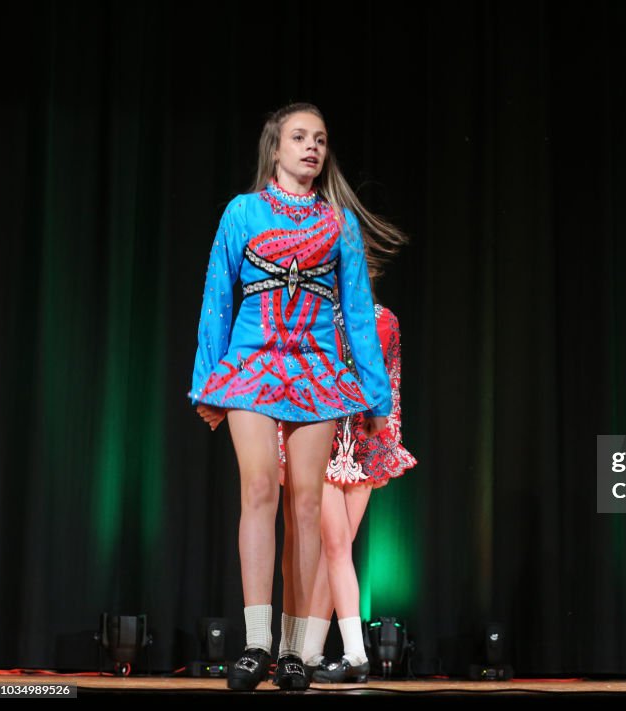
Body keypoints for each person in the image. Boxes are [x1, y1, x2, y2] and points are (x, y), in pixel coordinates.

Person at [189, 102, 406, 691]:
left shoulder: (339, 225)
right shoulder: (243, 213)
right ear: (276, 148)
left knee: (307, 504)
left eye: (320, 139)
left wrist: (378, 401)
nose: (312, 147)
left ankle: (294, 651)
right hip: (252, 366)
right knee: (259, 489)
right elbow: (217, 298)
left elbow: (359, 315)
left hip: (317, 370)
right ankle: (257, 643)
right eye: (299, 137)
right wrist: (207, 381)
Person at [276, 300, 416, 684]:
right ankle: (353, 651)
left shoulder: (386, 319)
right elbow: (291, 383)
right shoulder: (311, 314)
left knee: (336, 551)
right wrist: (283, 445)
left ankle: (312, 651)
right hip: (319, 440)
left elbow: (391, 386)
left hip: (364, 444)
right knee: (336, 547)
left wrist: (387, 444)